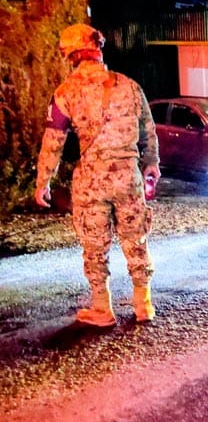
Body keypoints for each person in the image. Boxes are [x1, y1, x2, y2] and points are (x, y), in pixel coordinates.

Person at [34, 24, 160, 327]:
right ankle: (143, 304)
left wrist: (43, 181)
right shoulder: (129, 86)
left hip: (91, 181)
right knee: (136, 238)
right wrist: (151, 163)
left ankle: (102, 309)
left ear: (71, 55)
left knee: (95, 244)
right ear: (98, 50)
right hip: (128, 176)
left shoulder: (65, 93)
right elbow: (148, 130)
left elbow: (53, 141)